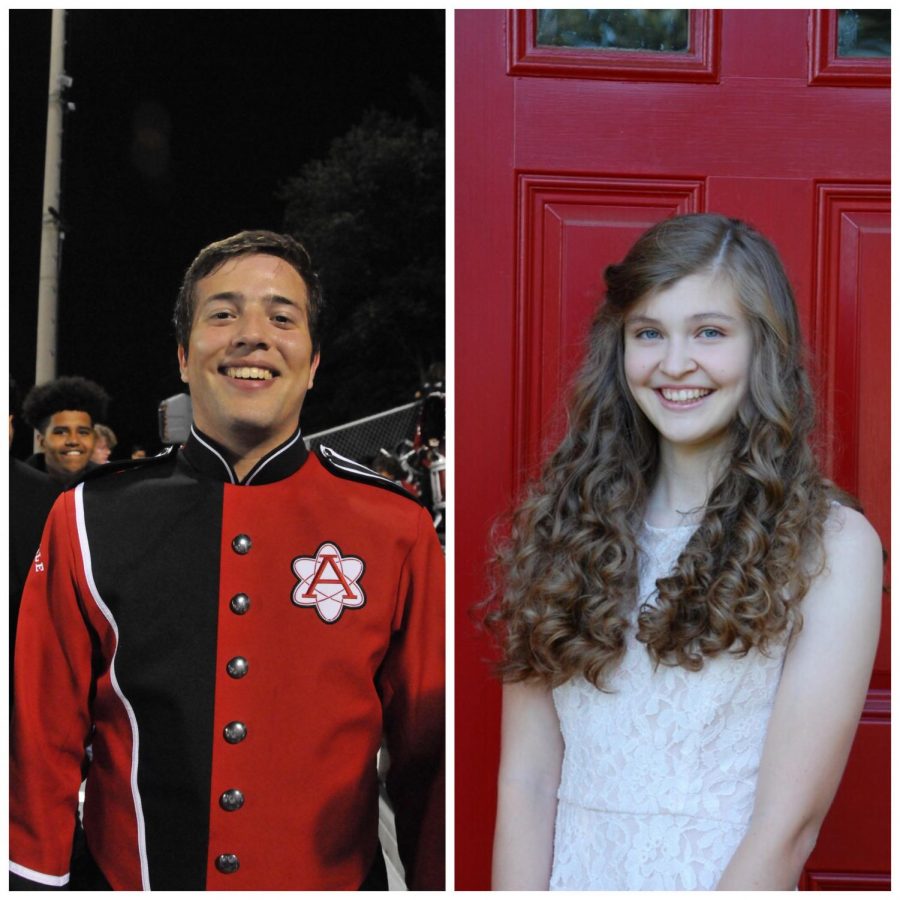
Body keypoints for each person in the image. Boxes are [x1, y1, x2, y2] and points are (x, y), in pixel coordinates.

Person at [10, 230, 445, 890]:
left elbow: (428, 760)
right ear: (184, 356)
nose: (252, 335)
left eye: (280, 315)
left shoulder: (397, 526)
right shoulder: (86, 517)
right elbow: (41, 741)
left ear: (314, 359)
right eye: (223, 313)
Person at [486, 214, 882, 891]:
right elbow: (527, 779)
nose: (674, 364)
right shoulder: (562, 525)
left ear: (764, 348)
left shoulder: (833, 545)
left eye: (709, 332)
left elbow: (788, 829)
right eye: (648, 333)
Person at [21, 375, 110, 485]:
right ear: (41, 441)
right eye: (61, 432)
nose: (73, 441)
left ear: (93, 439)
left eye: (83, 432)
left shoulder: (109, 486)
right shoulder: (13, 486)